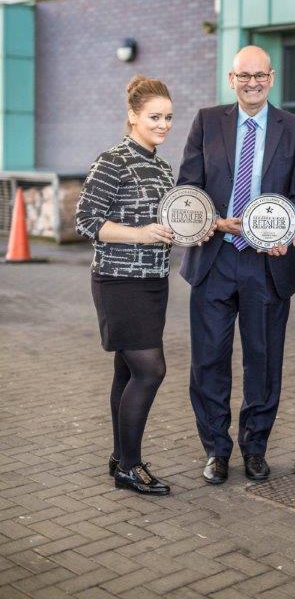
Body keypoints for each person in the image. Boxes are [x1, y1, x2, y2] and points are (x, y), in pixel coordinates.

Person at [177, 45, 295, 485]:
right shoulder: (206, 121)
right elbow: (188, 186)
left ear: (271, 78)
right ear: (231, 80)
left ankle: (255, 449)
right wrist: (213, 221)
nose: (252, 83)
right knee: (208, 362)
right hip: (214, 259)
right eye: (244, 76)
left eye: (259, 75)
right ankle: (216, 450)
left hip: (266, 265)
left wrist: (287, 227)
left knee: (264, 362)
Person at [76, 75, 176, 496]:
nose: (163, 125)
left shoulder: (162, 167)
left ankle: (120, 458)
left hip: (154, 281)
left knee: (128, 369)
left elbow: (166, 222)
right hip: (119, 281)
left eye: (168, 117)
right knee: (151, 369)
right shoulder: (112, 160)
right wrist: (141, 234)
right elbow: (86, 220)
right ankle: (130, 468)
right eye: (154, 117)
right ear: (133, 115)